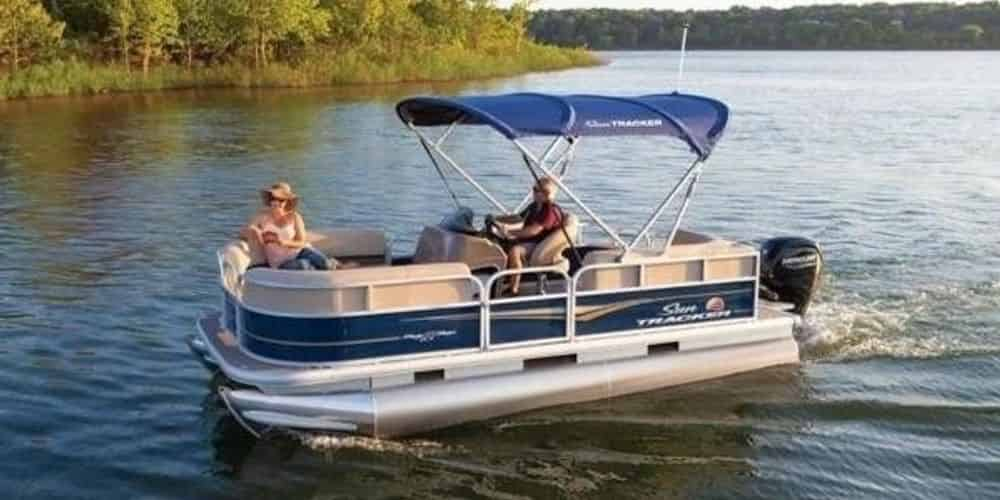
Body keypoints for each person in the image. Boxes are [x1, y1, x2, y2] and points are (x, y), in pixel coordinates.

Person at [240, 182, 332, 270]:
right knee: (303, 265)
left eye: (281, 199)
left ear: (287, 202)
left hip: (300, 251)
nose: (277, 202)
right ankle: (318, 270)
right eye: (274, 198)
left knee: (325, 263)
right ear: (270, 200)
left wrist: (283, 242)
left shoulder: (295, 216)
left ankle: (330, 266)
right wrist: (259, 235)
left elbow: (302, 242)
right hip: (280, 261)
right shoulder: (261, 217)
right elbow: (244, 233)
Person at [502, 176, 564, 295]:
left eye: (537, 190)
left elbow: (534, 231)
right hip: (530, 240)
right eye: (534, 189)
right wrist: (498, 221)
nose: (534, 192)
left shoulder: (550, 211)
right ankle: (500, 281)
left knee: (515, 251)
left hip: (540, 244)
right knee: (502, 244)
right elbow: (517, 218)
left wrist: (510, 233)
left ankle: (513, 288)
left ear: (547, 193)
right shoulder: (534, 206)